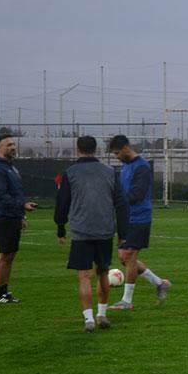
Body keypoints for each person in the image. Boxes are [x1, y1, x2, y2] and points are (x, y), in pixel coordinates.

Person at [55, 136, 129, 333]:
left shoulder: (70, 173)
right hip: (104, 229)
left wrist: (60, 227)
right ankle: (102, 314)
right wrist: (122, 233)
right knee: (103, 272)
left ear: (78, 149)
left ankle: (88, 318)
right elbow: (121, 204)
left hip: (81, 230)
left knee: (84, 277)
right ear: (96, 150)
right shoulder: (110, 172)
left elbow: (62, 203)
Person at [107, 135, 170, 310]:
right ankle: (159, 283)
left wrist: (118, 201)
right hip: (127, 218)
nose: (116, 157)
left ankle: (127, 301)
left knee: (130, 257)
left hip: (139, 217)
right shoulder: (126, 166)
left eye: (117, 153)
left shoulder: (141, 167)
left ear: (126, 148)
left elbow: (137, 194)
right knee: (124, 259)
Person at [0, 134, 38, 304]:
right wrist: (22, 206)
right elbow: (0, 195)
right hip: (2, 215)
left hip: (12, 215)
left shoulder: (11, 167)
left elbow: (16, 193)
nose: (13, 147)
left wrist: (21, 214)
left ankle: (4, 290)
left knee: (10, 254)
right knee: (4, 254)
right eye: (9, 144)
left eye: (14, 144)